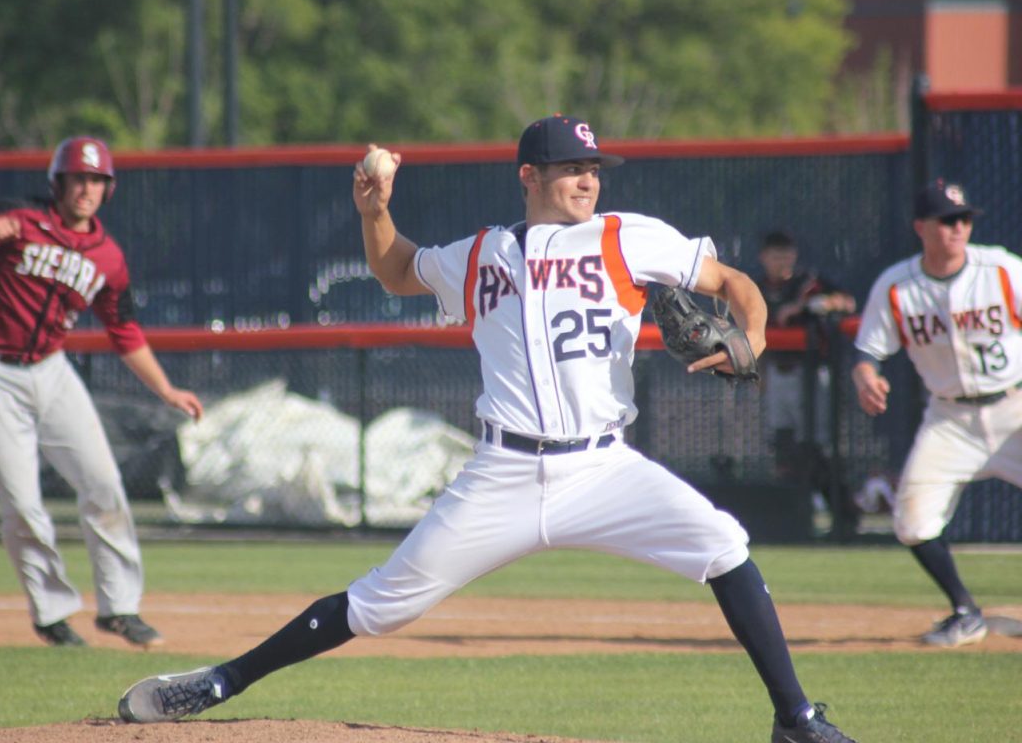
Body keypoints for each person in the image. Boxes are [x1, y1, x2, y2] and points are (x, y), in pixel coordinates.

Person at [116, 115, 858, 742]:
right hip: (502, 472)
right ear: (528, 176)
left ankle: (794, 717)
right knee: (377, 606)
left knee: (725, 546)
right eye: (570, 167)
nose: (588, 179)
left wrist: (752, 339)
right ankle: (220, 683)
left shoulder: (630, 236)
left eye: (593, 167)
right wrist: (375, 210)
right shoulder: (483, 253)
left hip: (604, 468)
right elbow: (398, 271)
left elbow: (733, 283)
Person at [0, 136, 204, 648]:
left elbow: (123, 330)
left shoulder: (108, 257)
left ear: (109, 189)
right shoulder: (16, 216)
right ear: (58, 182)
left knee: (103, 483)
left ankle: (120, 608)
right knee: (23, 503)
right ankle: (52, 612)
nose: (87, 188)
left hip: (51, 369)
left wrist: (166, 389)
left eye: (97, 180)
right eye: (78, 177)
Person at [852, 178, 1018, 648]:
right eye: (947, 221)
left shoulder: (1001, 268)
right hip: (950, 420)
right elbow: (866, 352)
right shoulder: (897, 286)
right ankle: (965, 612)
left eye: (964, 219)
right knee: (912, 522)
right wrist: (865, 377)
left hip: (1015, 407)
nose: (958, 228)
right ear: (920, 227)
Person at [755, 231, 860, 537]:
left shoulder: (808, 283)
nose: (782, 260)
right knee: (784, 447)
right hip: (777, 372)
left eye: (786, 253)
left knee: (816, 448)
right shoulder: (757, 286)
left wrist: (811, 306)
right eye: (775, 254)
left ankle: (844, 514)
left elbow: (847, 301)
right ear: (764, 257)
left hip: (811, 375)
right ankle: (793, 518)